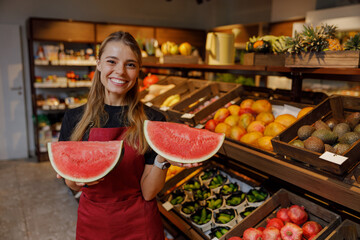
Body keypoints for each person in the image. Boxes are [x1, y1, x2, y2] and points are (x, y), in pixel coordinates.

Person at [58, 31, 200, 240]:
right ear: (98, 64)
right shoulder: (74, 118)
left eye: (130, 64)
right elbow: (71, 185)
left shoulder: (153, 120)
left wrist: (163, 157)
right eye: (111, 61)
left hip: (140, 223)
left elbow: (149, 192)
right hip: (93, 222)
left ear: (138, 71)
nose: (120, 71)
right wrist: (73, 176)